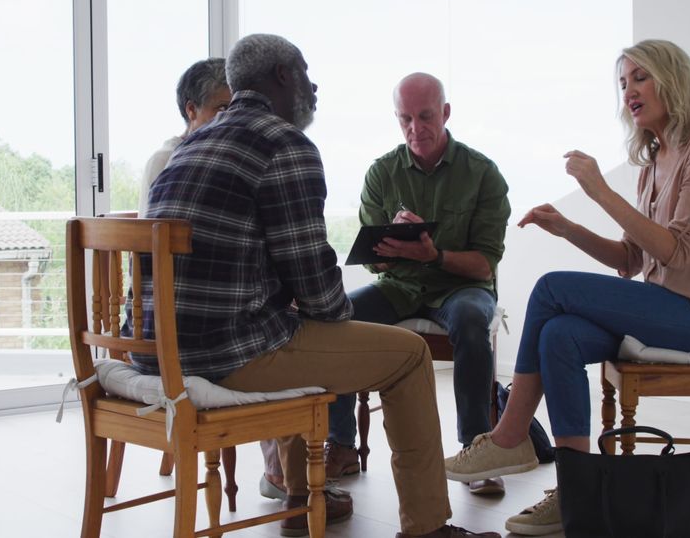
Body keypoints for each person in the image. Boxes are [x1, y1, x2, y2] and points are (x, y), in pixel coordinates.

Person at [126, 33, 500, 538]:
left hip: (153, 352)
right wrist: (330, 312)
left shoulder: (192, 144)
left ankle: (302, 497)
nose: (315, 86)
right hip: (220, 355)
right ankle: (427, 527)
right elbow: (318, 289)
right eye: (305, 71)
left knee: (289, 326)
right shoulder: (284, 144)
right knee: (409, 355)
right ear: (284, 76)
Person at [443, 39, 690, 536]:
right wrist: (568, 228)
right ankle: (576, 489)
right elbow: (631, 259)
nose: (629, 91)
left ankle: (510, 434)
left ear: (673, 79)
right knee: (560, 335)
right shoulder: (655, 159)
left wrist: (599, 191)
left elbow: (679, 252)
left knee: (550, 288)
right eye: (623, 82)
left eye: (641, 78)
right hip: (671, 308)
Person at [326, 72, 512, 495]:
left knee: (471, 320)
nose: (415, 128)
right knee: (335, 318)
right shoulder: (382, 172)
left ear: (445, 113)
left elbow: (484, 265)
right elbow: (373, 261)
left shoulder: (483, 173)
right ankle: (341, 444)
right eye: (405, 119)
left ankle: (476, 450)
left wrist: (434, 255)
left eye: (425, 117)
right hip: (400, 285)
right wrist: (391, 243)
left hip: (461, 287)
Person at [137, 57, 231, 216]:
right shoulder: (163, 160)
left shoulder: (234, 155)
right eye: (222, 108)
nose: (231, 116)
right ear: (191, 110)